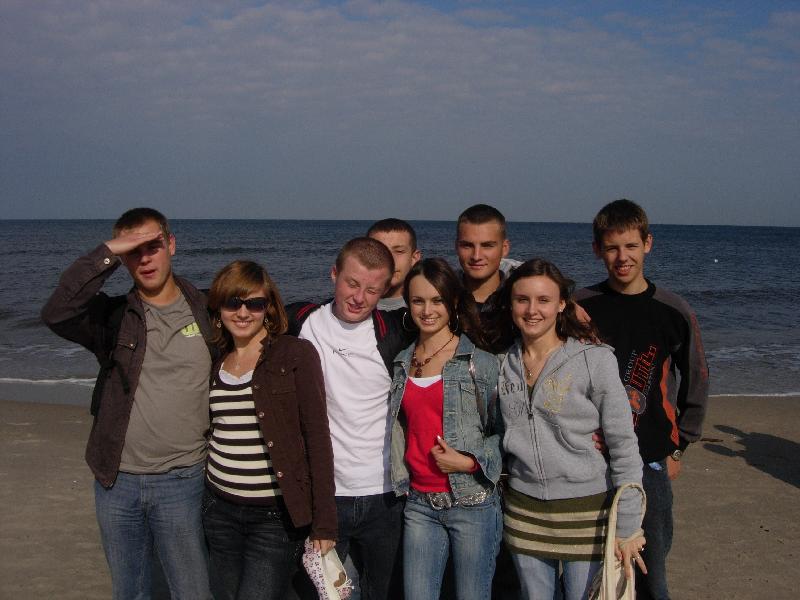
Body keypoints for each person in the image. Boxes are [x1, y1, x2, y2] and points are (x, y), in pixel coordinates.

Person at [41, 208, 215, 599]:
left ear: (171, 245)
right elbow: (57, 312)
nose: (145, 258)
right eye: (133, 250)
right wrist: (107, 252)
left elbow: (263, 317)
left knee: (192, 591)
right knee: (131, 591)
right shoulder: (114, 317)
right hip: (117, 481)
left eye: (153, 246)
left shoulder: (208, 309)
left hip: (185, 480)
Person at [575, 199, 709, 600]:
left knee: (652, 573)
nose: (623, 257)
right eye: (612, 248)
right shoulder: (581, 307)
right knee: (593, 571)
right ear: (597, 250)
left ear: (647, 244)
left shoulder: (672, 310)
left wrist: (680, 445)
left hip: (651, 458)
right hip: (591, 458)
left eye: (631, 246)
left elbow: (697, 377)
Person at [493, 258, 645, 600]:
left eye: (544, 300)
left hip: (587, 512)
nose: (532, 310)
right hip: (524, 512)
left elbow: (623, 444)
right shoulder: (503, 363)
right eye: (522, 299)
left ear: (562, 304)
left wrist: (629, 524)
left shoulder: (595, 360)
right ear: (510, 304)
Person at [202, 260, 337, 600]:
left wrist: (324, 523)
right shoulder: (217, 360)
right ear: (219, 307)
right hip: (219, 510)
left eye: (255, 303)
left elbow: (317, 438)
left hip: (273, 518)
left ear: (269, 308)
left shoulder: (294, 353)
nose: (242, 312)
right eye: (233, 302)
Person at [286, 237, 412, 600]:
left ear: (385, 290)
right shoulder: (300, 321)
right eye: (352, 284)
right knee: (324, 594)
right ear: (334, 274)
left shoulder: (394, 333)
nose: (359, 297)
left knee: (383, 593)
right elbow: (237, 309)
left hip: (386, 496)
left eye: (372, 290)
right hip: (325, 496)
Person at [389, 258, 502, 600]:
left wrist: (469, 462)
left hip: (472, 502)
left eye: (437, 300)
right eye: (418, 300)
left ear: (453, 302)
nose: (427, 310)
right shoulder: (401, 362)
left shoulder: (479, 362)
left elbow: (506, 432)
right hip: (418, 503)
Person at [455, 204, 520, 312]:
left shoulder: (522, 301)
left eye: (487, 246)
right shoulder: (440, 297)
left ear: (504, 248)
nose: (476, 256)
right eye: (467, 245)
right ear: (456, 247)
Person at [367, 218, 422, 310]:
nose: (390, 260)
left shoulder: (429, 310)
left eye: (399, 251)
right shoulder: (349, 307)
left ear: (414, 258)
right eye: (380, 252)